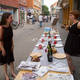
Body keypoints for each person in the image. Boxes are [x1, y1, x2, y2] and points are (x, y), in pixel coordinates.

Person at [0, 12, 16, 80]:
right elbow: (0, 40)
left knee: (11, 60)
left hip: (9, 45)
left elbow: (11, 37)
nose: (12, 19)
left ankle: (12, 72)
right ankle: (6, 75)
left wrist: (12, 45)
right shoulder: (1, 28)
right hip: (3, 46)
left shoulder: (10, 26)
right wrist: (2, 49)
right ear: (6, 19)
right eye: (11, 18)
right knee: (5, 62)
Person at [64, 10, 80, 75]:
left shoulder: (78, 23)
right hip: (69, 41)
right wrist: (68, 29)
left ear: (75, 16)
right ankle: (72, 69)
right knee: (68, 57)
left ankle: (71, 72)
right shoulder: (72, 23)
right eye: (69, 15)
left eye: (71, 15)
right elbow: (73, 32)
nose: (69, 16)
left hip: (73, 43)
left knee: (68, 56)